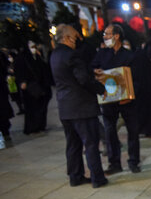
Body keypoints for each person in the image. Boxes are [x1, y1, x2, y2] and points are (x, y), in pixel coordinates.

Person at [50, 24, 107, 188]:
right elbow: (82, 79)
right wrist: (100, 88)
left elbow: (69, 76)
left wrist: (90, 72)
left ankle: (75, 177)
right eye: (75, 37)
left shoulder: (54, 55)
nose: (77, 41)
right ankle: (97, 178)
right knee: (90, 143)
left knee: (73, 144)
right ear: (67, 38)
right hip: (81, 107)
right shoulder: (72, 55)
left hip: (65, 107)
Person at [91, 24, 142, 174]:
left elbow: (138, 79)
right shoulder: (102, 54)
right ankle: (114, 163)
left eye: (107, 34)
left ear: (116, 36)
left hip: (127, 101)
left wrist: (130, 96)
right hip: (109, 100)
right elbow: (92, 68)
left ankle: (133, 161)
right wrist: (96, 71)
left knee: (132, 131)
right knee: (110, 131)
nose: (105, 37)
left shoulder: (130, 56)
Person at [14, 40, 52, 135]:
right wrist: (22, 81)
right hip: (30, 88)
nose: (34, 49)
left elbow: (44, 69)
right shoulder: (22, 58)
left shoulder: (37, 57)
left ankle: (40, 125)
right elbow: (19, 71)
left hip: (40, 86)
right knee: (32, 108)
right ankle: (32, 127)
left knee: (41, 107)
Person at [0, 50, 14, 149]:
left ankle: (5, 132)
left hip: (1, 90)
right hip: (2, 90)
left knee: (3, 112)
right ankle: (5, 132)